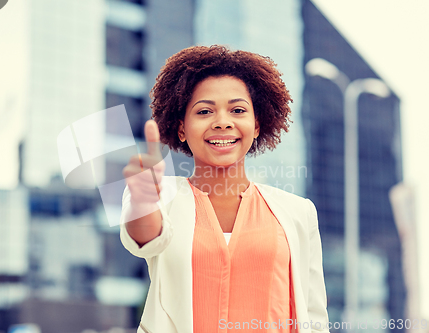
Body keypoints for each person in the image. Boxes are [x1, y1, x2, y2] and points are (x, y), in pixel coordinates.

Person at [120, 45, 329, 333]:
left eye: (237, 110)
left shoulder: (298, 211)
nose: (222, 122)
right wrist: (144, 202)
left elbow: (314, 316)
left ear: (256, 124)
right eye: (204, 111)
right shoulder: (158, 194)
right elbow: (146, 238)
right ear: (182, 128)